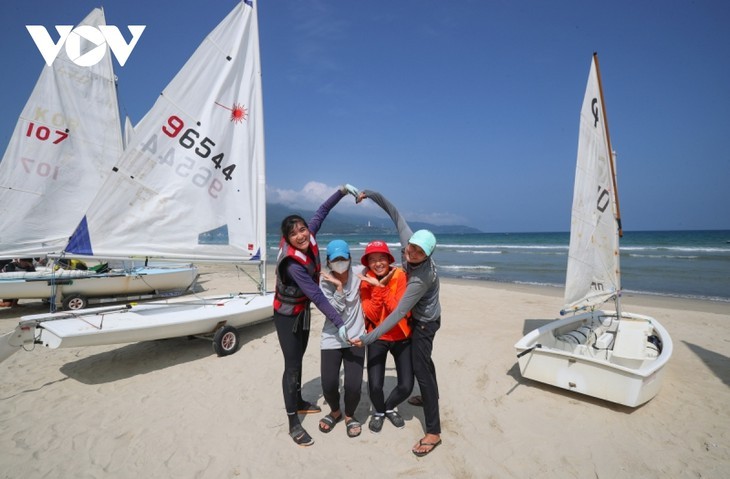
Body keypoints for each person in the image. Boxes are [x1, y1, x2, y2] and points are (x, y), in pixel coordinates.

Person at [352, 190, 442, 457]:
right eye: (410, 247)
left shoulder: (420, 278)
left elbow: (397, 314)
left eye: (418, 252)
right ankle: (428, 398)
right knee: (427, 363)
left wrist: (367, 339)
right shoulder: (409, 244)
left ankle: (434, 432)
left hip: (424, 323)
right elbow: (395, 214)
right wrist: (371, 194)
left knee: (421, 372)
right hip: (419, 319)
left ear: (427, 254)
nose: (411, 253)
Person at [273, 184, 359, 447]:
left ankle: (299, 401)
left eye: (302, 229)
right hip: (287, 316)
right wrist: (340, 322)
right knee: (292, 365)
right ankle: (293, 423)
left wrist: (342, 191)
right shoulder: (292, 263)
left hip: (302, 313)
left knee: (298, 358)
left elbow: (322, 210)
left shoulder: (309, 234)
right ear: (287, 239)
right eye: (293, 233)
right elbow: (317, 295)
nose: (300, 235)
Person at [358, 240, 413, 433]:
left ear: (389, 259)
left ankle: (389, 407)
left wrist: (381, 287)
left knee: (406, 386)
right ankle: (379, 412)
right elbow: (371, 314)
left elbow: (397, 310)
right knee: (374, 386)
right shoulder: (365, 281)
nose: (378, 263)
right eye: (372, 260)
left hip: (401, 337)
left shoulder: (400, 276)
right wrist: (375, 286)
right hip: (377, 338)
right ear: (368, 263)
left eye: (382, 258)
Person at [317, 239, 366, 438]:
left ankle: (349, 415)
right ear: (328, 262)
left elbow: (382, 265)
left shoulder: (360, 272)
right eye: (335, 259)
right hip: (332, 337)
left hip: (356, 337)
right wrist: (338, 287)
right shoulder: (324, 281)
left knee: (353, 386)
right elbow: (334, 312)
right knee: (328, 384)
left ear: (349, 259)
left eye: (342, 258)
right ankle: (335, 411)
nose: (339, 262)